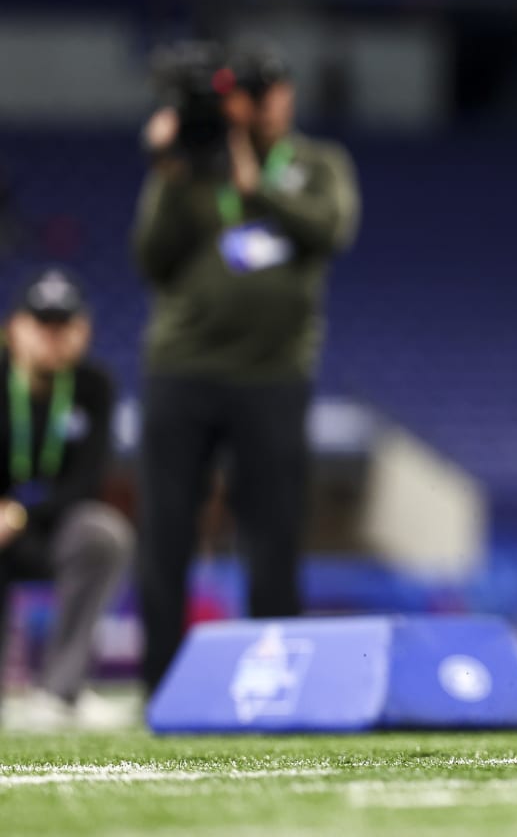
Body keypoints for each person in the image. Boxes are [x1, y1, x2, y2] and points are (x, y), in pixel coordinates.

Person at [131, 46, 360, 693]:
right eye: (248, 92)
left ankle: (276, 681)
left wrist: (257, 187)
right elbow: (150, 258)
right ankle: (162, 686)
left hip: (274, 375)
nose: (261, 102)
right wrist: (168, 167)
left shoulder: (317, 164)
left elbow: (332, 231)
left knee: (274, 533)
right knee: (166, 531)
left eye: (271, 89)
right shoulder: (188, 167)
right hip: (182, 370)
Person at [0, 269, 135, 730]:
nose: (53, 338)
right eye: (42, 324)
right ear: (14, 328)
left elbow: (86, 482)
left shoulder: (93, 386)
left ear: (84, 332)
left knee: (103, 532)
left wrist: (17, 514)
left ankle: (60, 692)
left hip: (48, 529)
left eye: (64, 326)